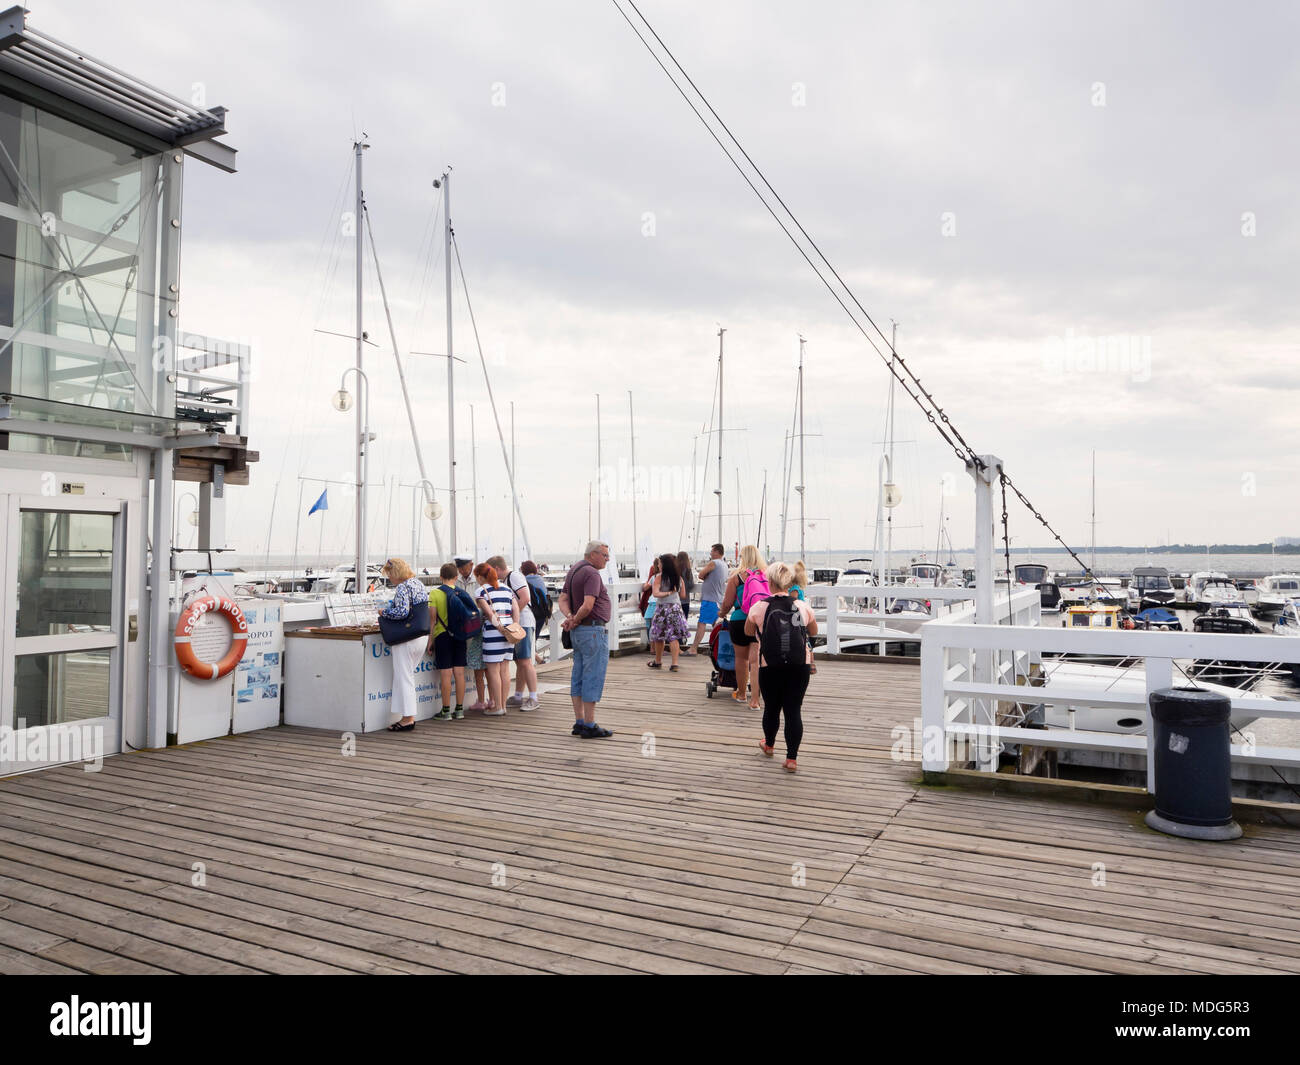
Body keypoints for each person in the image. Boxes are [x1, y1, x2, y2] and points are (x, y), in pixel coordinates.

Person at [745, 561, 817, 772]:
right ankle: (791, 759)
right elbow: (813, 630)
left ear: (770, 582)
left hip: (770, 664)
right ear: (788, 582)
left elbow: (749, 632)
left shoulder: (759, 607)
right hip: (799, 664)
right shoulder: (802, 606)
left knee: (772, 708)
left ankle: (769, 745)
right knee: (794, 710)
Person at [558, 541, 614, 738]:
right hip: (592, 630)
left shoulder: (574, 569)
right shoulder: (591, 573)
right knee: (593, 675)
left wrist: (570, 618)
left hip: (579, 632)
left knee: (578, 675)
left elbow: (562, 599)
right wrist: (577, 618)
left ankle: (579, 721)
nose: (607, 559)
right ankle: (589, 724)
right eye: (605, 555)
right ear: (593, 554)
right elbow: (589, 605)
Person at [379, 558, 430, 732]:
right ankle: (406, 716)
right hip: (420, 635)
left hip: (406, 639)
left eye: (389, 575)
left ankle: (408, 718)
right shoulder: (418, 584)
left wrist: (384, 612)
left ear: (395, 573)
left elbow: (402, 612)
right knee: (407, 676)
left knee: (404, 677)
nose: (389, 579)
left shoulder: (402, 587)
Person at [489, 554, 539, 711]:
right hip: (516, 624)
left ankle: (533, 697)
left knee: (525, 661)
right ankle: (518, 695)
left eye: (491, 571)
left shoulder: (514, 576)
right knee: (519, 661)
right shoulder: (505, 580)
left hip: (522, 623)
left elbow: (524, 598)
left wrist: (510, 618)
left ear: (497, 568)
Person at [720, 544, 767, 707]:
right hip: (759, 620)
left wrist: (720, 614)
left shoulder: (736, 577)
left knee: (741, 658)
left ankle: (741, 693)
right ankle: (756, 698)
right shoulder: (765, 576)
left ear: (743, 558)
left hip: (740, 619)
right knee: (756, 661)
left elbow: (727, 603)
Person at [474, 563, 518, 717]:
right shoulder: (507, 589)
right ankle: (503, 705)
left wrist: (499, 627)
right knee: (505, 670)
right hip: (509, 630)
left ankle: (497, 706)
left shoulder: (481, 591)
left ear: (480, 577)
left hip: (494, 631)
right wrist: (514, 625)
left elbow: (489, 612)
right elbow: (516, 608)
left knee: (493, 670)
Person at [428, 562, 467, 721]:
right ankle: (459, 710)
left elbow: (432, 620)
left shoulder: (435, 594)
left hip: (442, 635)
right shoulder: (461, 592)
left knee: (446, 673)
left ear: (441, 577)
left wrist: (431, 639)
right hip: (460, 635)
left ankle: (445, 711)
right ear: (456, 577)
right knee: (459, 672)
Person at [647, 553, 689, 671]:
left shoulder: (659, 577)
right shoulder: (679, 578)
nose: (658, 565)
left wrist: (668, 592)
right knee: (674, 636)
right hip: (675, 608)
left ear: (664, 565)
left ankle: (658, 661)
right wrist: (673, 592)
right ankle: (674, 663)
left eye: (660, 563)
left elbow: (655, 593)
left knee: (659, 636)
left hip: (662, 609)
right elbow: (683, 595)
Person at [689, 542, 726, 656]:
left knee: (702, 623)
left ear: (716, 552)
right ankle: (721, 648)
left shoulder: (714, 563)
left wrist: (705, 576)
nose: (710, 553)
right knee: (717, 624)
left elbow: (700, 575)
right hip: (717, 599)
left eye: (712, 551)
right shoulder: (724, 564)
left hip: (710, 599)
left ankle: (694, 648)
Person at [676, 550, 695, 621]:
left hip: (675, 600)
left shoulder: (675, 571)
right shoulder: (688, 571)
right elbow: (691, 585)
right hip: (686, 600)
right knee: (684, 622)